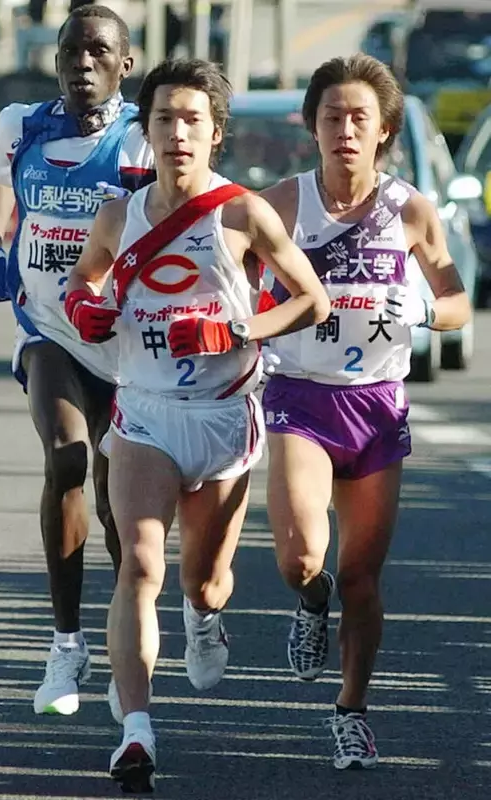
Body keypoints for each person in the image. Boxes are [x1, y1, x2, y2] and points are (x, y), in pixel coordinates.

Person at [65, 58, 330, 792]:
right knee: (138, 566)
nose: (176, 133)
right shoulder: (120, 215)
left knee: (205, 583)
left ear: (215, 133)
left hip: (222, 418)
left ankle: (205, 618)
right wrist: (88, 308)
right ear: (144, 131)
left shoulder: (243, 212)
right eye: (162, 120)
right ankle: (136, 733)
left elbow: (311, 300)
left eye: (192, 120)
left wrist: (237, 331)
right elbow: (85, 279)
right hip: (146, 414)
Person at [258, 54, 471, 769]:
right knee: (303, 557)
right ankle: (307, 600)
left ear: (383, 132)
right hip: (300, 396)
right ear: (311, 126)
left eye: (360, 118)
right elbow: (223, 271)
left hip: (377, 405)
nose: (345, 130)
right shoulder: (282, 205)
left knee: (364, 578)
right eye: (332, 117)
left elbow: (459, 301)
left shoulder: (410, 208)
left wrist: (425, 307)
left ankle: (351, 710)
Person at [0, 4, 155, 717]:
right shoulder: (20, 124)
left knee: (120, 510)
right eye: (71, 51)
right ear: (55, 59)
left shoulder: (144, 136)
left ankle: (120, 645)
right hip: (49, 329)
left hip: (129, 344)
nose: (83, 63)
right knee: (66, 460)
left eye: (99, 52)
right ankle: (64, 641)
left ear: (125, 63)